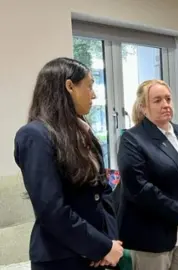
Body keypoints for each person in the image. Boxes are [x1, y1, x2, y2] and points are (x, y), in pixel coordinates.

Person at [14, 57, 123, 270]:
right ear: (69, 86)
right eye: (90, 86)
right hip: (62, 258)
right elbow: (52, 210)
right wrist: (99, 246)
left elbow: (104, 193)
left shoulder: (84, 132)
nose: (94, 94)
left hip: (101, 254)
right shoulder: (35, 135)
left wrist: (110, 242)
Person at [116, 79, 178, 270]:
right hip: (152, 237)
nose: (166, 104)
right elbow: (139, 188)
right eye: (157, 100)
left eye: (168, 99)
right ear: (143, 107)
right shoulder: (132, 139)